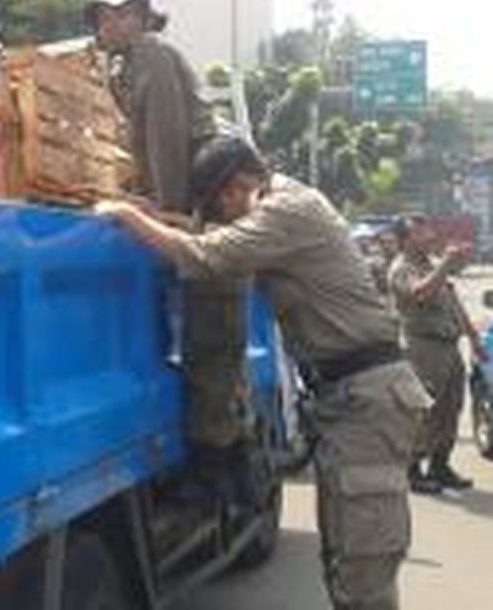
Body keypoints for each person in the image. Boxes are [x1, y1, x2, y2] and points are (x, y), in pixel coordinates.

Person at [97, 136, 430, 610]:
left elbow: (206, 254)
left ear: (237, 188)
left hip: (365, 401)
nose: (220, 218)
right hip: (350, 398)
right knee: (344, 561)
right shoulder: (282, 207)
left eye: (219, 206)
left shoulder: (286, 210)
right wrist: (156, 217)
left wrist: (125, 216)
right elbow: (210, 237)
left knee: (363, 568)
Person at [88, 0, 250, 495]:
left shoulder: (152, 57)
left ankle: (220, 473)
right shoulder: (124, 66)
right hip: (197, 201)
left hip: (210, 204)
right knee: (205, 342)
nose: (107, 24)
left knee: (210, 340)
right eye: (102, 16)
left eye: (118, 15)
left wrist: (166, 215)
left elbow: (166, 140)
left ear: (141, 18)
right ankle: (221, 464)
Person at [388, 215, 479, 494]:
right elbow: (421, 293)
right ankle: (412, 469)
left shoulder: (430, 265)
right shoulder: (401, 268)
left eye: (427, 229)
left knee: (451, 407)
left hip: (448, 347)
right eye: (419, 232)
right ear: (404, 240)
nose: (428, 236)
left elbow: (452, 302)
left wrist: (473, 337)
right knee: (423, 410)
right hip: (423, 348)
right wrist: (445, 265)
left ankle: (440, 465)